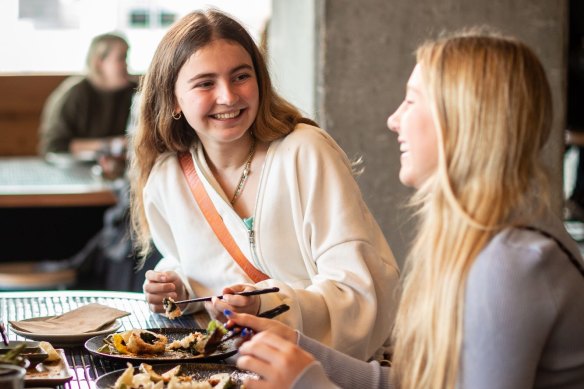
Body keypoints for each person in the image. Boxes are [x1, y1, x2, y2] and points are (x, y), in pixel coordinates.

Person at [224, 29, 584, 388]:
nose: (393, 120)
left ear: (461, 117)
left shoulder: (509, 261)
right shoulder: (492, 238)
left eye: (411, 102)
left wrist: (308, 384)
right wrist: (303, 351)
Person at [129, 9, 400, 361]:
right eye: (206, 83)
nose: (228, 96)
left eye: (240, 76)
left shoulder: (305, 152)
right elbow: (194, 261)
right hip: (230, 370)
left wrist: (266, 302)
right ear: (175, 99)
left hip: (324, 372)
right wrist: (177, 286)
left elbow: (362, 293)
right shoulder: (167, 179)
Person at [39, 32, 137, 158]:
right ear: (99, 62)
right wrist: (114, 144)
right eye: (121, 58)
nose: (126, 65)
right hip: (73, 170)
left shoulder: (134, 91)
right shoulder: (74, 94)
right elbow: (54, 146)